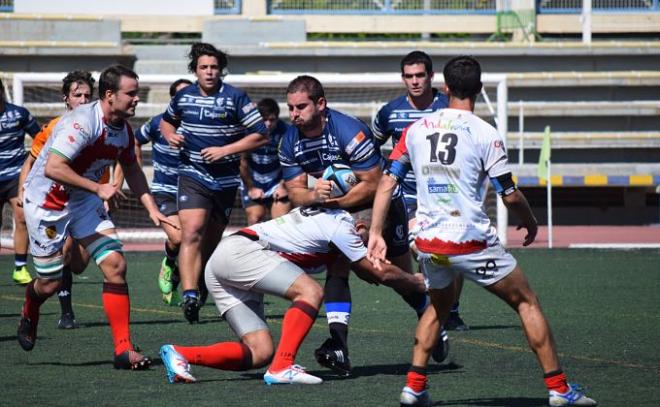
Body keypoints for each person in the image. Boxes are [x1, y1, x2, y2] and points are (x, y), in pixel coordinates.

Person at [367, 56, 597, 407]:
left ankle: (413, 387)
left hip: (428, 242)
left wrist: (376, 232)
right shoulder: (485, 133)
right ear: (479, 88)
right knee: (526, 302)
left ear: (444, 88)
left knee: (438, 307)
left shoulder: (416, 129)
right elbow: (509, 194)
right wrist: (531, 221)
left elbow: (387, 180)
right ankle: (560, 390)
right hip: (470, 241)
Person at [160, 204, 427, 385]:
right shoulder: (343, 226)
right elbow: (377, 273)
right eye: (373, 236)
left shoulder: (330, 220)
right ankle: (283, 366)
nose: (371, 244)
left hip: (224, 260)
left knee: (259, 352)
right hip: (241, 252)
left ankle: (180, 353)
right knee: (309, 291)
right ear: (361, 226)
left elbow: (364, 273)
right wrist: (419, 283)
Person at [279, 75, 439, 376]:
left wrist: (334, 202)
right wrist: (314, 194)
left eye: (300, 106)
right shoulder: (289, 140)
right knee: (340, 262)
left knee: (396, 274)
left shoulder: (349, 131)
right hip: (340, 208)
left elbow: (374, 184)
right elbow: (294, 190)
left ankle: (426, 309)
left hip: (381, 202)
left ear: (321, 104)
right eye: (290, 108)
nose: (294, 114)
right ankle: (339, 344)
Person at [17, 65, 172, 370]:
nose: (137, 99)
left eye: (137, 92)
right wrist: (98, 187)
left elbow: (132, 169)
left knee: (115, 264)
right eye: (131, 93)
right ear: (110, 95)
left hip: (84, 200)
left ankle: (123, 350)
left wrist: (152, 208)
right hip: (48, 202)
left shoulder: (123, 131)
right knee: (48, 284)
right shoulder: (81, 123)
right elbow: (54, 168)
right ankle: (30, 308)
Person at [160, 42, 269, 323]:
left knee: (211, 240)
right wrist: (171, 135)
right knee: (192, 231)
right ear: (195, 70)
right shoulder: (183, 97)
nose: (209, 72)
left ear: (221, 70)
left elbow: (260, 134)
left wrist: (225, 150)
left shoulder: (236, 98)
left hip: (226, 179)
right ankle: (189, 294)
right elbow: (166, 122)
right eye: (203, 67)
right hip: (192, 174)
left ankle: (202, 282)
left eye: (214, 67)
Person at [373, 51, 468, 331]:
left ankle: (451, 309)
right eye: (409, 76)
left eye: (420, 75)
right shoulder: (390, 112)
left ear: (431, 76)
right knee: (422, 249)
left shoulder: (449, 107)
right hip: (409, 195)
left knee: (454, 254)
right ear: (403, 78)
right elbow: (372, 149)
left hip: (447, 193)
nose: (415, 81)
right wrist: (387, 177)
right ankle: (430, 308)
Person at [17, 70, 107, 330]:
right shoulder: (54, 127)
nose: (82, 99)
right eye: (76, 95)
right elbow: (32, 161)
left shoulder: (100, 125)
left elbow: (118, 161)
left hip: (87, 199)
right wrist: (24, 191)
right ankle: (66, 313)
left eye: (87, 95)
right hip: (56, 202)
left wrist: (109, 189)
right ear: (66, 99)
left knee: (79, 264)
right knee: (64, 255)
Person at [135, 78, 192, 306]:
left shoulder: (198, 126)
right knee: (177, 238)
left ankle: (181, 283)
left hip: (193, 192)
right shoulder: (158, 123)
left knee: (194, 243)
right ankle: (168, 264)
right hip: (164, 191)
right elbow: (135, 141)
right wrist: (135, 169)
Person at [0, 78, 40, 285]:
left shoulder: (19, 114)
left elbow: (40, 138)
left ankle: (20, 268)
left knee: (22, 217)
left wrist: (32, 163)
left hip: (15, 175)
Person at [239, 98, 291, 225]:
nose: (268, 124)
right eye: (264, 119)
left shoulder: (287, 132)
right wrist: (251, 187)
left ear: (278, 118)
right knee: (255, 220)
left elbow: (293, 162)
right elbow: (241, 161)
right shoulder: (247, 131)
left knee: (281, 224)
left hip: (278, 181)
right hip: (254, 181)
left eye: (272, 120)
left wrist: (283, 185)